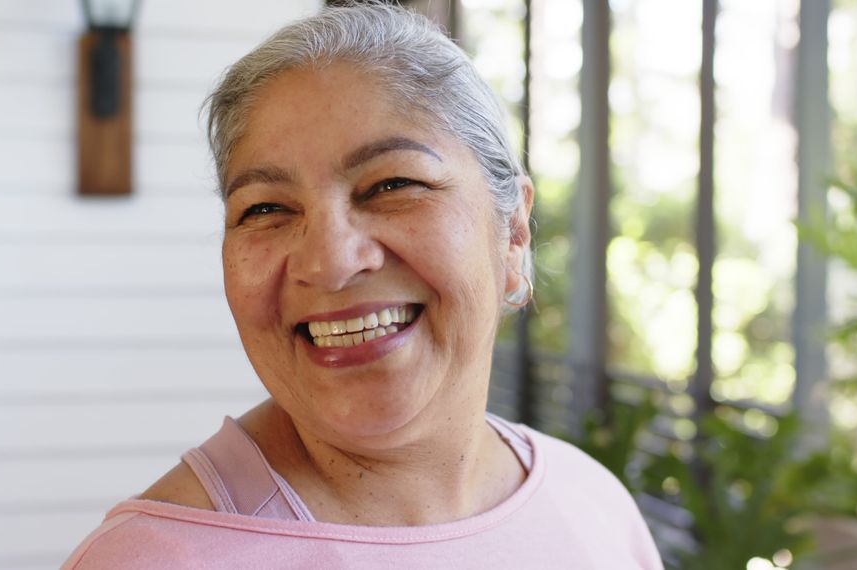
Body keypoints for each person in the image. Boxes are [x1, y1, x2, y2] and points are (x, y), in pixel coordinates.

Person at [62, 4, 663, 569]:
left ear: (512, 234)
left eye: (391, 184)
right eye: (265, 208)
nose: (329, 261)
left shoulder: (594, 507)